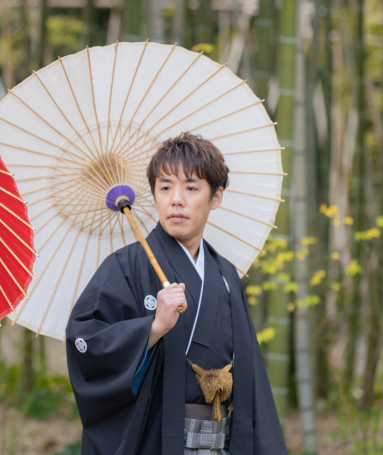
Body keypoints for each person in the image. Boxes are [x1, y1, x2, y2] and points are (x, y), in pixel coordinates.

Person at [66, 132, 287, 455]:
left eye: (192, 187)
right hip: (158, 440)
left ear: (216, 197)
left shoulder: (226, 275)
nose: (176, 200)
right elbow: (85, 341)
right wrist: (153, 328)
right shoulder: (125, 267)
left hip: (221, 443)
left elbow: (251, 377)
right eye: (165, 187)